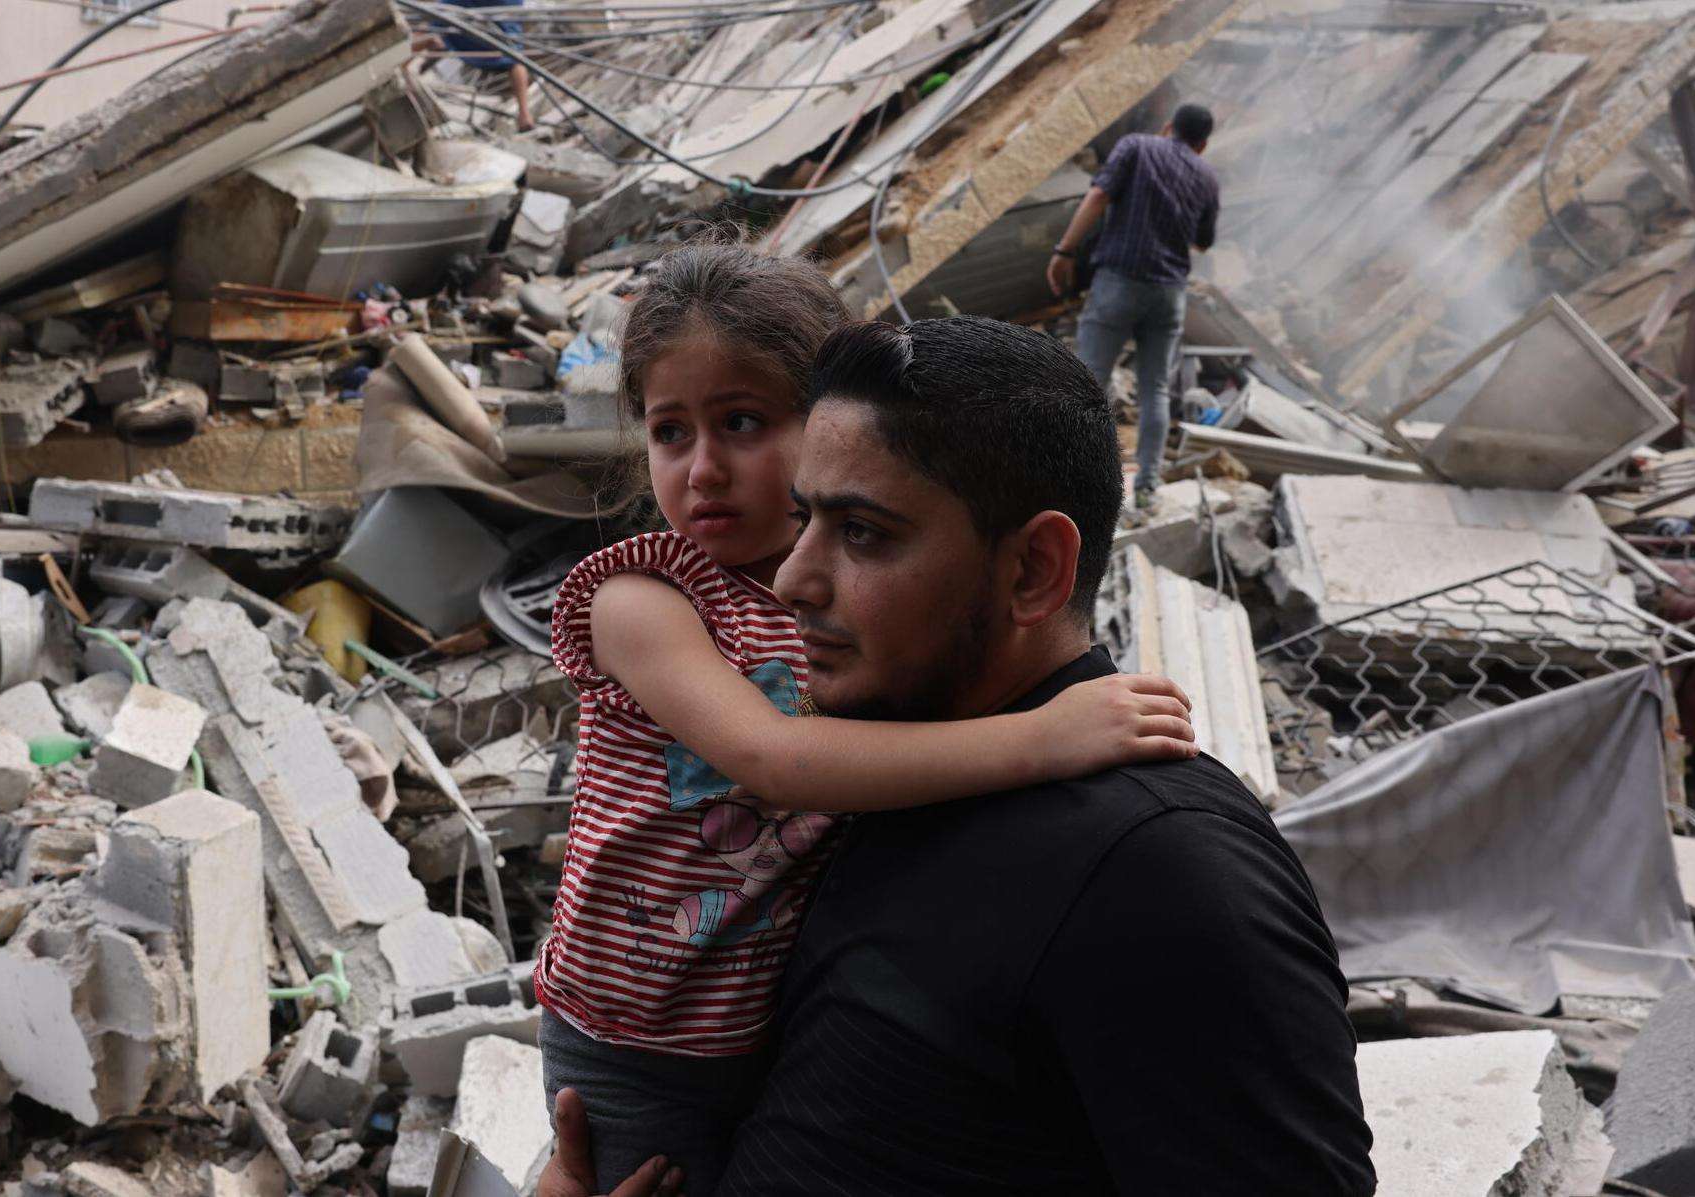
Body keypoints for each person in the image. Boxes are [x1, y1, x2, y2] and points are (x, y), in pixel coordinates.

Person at [543, 315, 1376, 1197]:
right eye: (801, 518)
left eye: (861, 532)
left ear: (1031, 571)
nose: (790, 580)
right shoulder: (883, 774)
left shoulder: (1158, 871)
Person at [1048, 102, 1220, 508]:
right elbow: (1202, 241)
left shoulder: (1137, 147)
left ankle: (1073, 481)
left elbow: (1097, 197)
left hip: (1120, 281)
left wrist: (1065, 251)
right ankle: (1146, 485)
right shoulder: (1207, 177)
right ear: (1203, 145)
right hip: (1169, 294)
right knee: (1156, 389)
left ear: (1167, 127)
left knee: (1088, 383)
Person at [413, 0, 536, 132]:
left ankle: (399, 60)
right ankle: (524, 114)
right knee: (514, 56)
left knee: (434, 22)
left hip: (491, 10)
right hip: (493, 13)